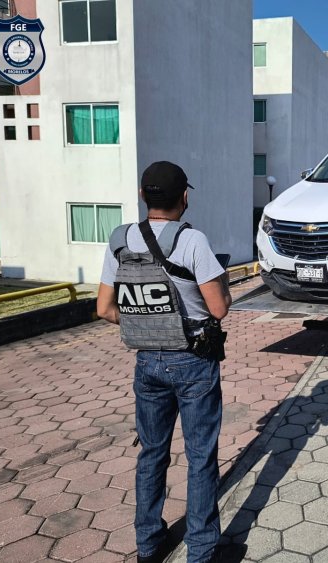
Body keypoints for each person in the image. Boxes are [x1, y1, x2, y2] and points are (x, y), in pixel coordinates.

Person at [96, 161, 231, 563]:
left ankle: (149, 546)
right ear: (184, 197)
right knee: (200, 458)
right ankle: (202, 551)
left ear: (143, 196)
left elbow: (104, 308)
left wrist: (147, 320)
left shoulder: (119, 239)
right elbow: (219, 308)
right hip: (192, 363)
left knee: (152, 454)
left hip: (146, 366)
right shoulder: (192, 241)